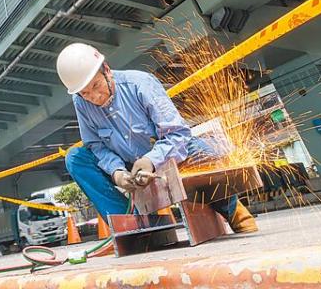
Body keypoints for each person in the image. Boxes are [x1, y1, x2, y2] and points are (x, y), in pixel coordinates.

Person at [56, 42, 258, 233]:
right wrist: (116, 171)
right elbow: (95, 145)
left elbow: (178, 134)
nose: (94, 97)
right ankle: (133, 224)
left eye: (97, 86)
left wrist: (151, 161)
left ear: (107, 70)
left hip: (165, 157)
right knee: (76, 158)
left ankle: (233, 211)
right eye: (85, 93)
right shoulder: (81, 101)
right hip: (127, 165)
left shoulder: (139, 83)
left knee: (203, 153)